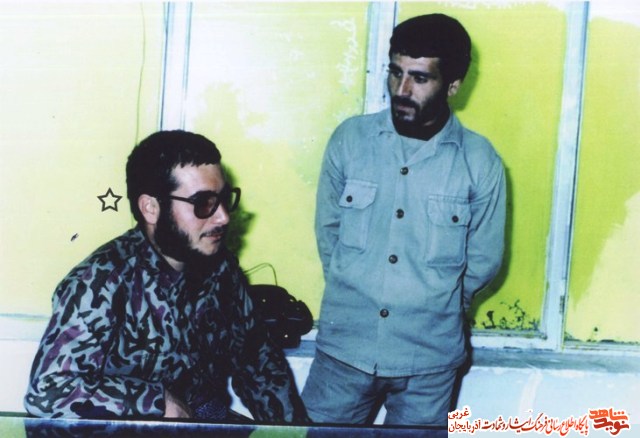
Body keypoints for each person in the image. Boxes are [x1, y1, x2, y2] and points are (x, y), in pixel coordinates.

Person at [302, 14, 506, 426]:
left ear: (453, 85)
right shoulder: (350, 141)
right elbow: (329, 236)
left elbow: (483, 262)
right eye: (395, 72)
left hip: (428, 364)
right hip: (344, 354)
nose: (401, 90)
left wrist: (433, 308)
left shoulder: (480, 162)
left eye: (420, 78)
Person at [24, 130, 309, 423]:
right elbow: (49, 392)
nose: (223, 216)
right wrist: (158, 401)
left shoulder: (221, 270)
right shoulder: (100, 282)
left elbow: (259, 366)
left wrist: (295, 433)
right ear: (151, 208)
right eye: (203, 202)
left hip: (203, 421)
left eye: (224, 199)